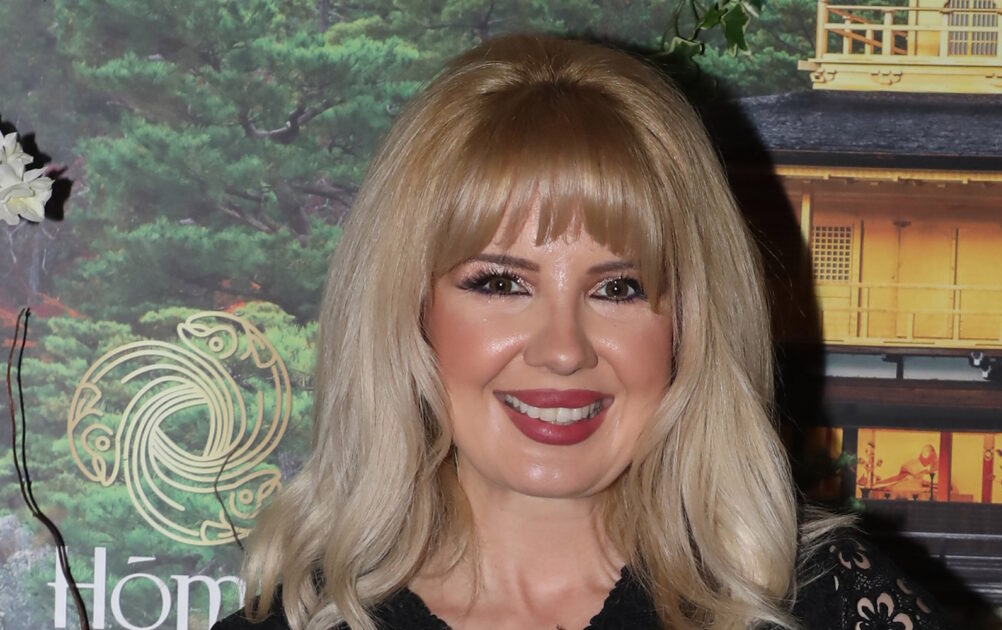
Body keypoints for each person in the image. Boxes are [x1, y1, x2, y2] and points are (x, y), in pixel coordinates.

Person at [214, 35, 947, 629]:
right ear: (411, 311)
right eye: (500, 284)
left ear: (689, 323)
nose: (563, 350)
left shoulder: (829, 604)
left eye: (618, 289)